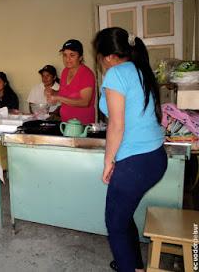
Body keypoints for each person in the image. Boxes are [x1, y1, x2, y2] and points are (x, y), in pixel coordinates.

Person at [93, 27, 166, 272]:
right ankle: (133, 264)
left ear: (107, 56)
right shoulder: (141, 69)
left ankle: (128, 266)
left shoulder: (116, 74)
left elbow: (116, 125)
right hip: (155, 157)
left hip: (135, 162)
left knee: (114, 224)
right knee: (123, 217)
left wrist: (108, 161)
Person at [45, 39, 96, 124]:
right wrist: (53, 92)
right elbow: (65, 94)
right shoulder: (65, 71)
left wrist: (58, 98)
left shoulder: (86, 74)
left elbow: (85, 102)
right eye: (65, 55)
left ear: (80, 57)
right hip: (66, 122)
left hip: (82, 125)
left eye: (72, 55)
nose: (67, 59)